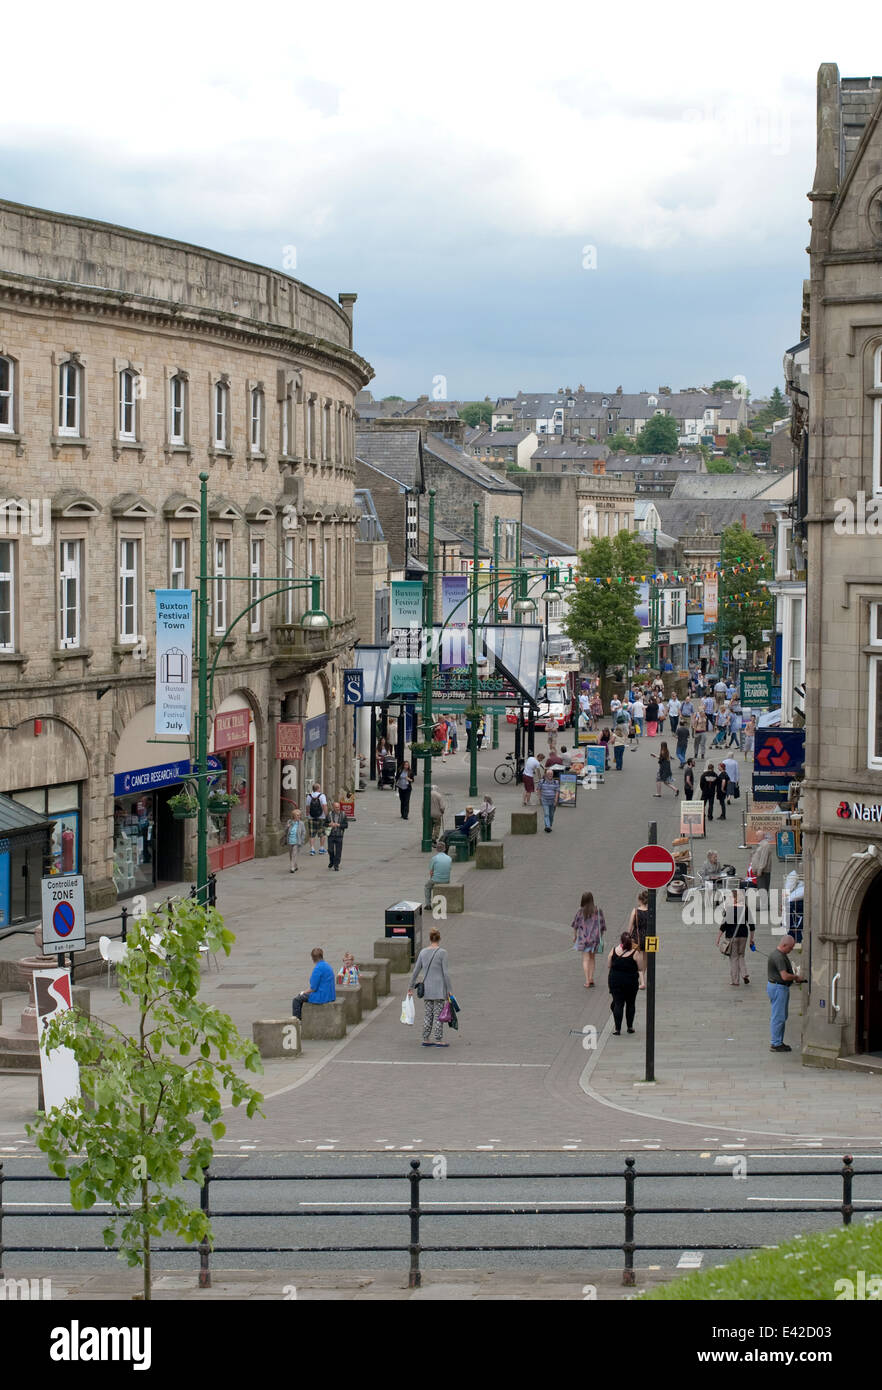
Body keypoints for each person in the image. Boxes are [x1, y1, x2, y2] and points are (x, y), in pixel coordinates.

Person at [408, 927, 453, 1046]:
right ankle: (438, 1039)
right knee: (439, 1014)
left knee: (428, 1014)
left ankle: (425, 1038)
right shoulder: (443, 953)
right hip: (439, 988)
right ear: (439, 939)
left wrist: (410, 987)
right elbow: (446, 973)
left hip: (427, 988)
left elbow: (416, 971)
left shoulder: (423, 952)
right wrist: (449, 990)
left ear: (430, 939)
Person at [767, 936, 806, 1051]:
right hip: (779, 988)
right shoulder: (779, 957)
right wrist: (796, 977)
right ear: (784, 945)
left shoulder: (778, 954)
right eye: (790, 948)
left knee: (781, 1015)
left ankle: (778, 1041)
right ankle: (775, 1043)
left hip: (777, 987)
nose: (791, 950)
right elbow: (784, 976)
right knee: (778, 1016)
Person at [717, 887, 755, 986]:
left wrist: (718, 938)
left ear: (734, 898)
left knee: (734, 958)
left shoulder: (729, 909)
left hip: (731, 937)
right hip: (744, 935)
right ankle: (744, 974)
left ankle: (735, 981)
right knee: (741, 955)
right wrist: (751, 939)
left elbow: (723, 926)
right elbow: (752, 925)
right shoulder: (745, 908)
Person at [607, 931, 641, 1034]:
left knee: (618, 1004)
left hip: (615, 981)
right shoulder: (635, 953)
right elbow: (641, 967)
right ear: (632, 941)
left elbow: (609, 965)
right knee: (630, 1004)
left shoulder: (613, 950)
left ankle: (617, 1029)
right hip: (631, 982)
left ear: (621, 941)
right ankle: (630, 1027)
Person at [572, 891, 607, 988]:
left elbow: (575, 925)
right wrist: (601, 936)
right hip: (594, 939)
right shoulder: (598, 911)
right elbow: (602, 925)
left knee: (585, 959)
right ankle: (591, 978)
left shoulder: (580, 911)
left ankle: (587, 980)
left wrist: (574, 936)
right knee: (592, 958)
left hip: (583, 938)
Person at [292, 946, 336, 1019]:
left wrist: (303, 992)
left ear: (313, 958)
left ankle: (297, 1021)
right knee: (302, 997)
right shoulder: (327, 965)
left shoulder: (318, 969)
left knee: (296, 1000)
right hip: (330, 995)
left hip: (322, 996)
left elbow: (313, 988)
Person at [627, 889, 650, 989]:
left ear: (640, 900)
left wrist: (628, 935)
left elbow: (630, 926)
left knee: (638, 959)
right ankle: (643, 977)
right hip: (649, 937)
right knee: (646, 959)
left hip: (637, 938)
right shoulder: (650, 911)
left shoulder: (635, 911)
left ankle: (642, 981)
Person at [424, 841, 452, 910]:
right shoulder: (449, 858)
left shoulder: (434, 858)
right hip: (446, 880)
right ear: (445, 849)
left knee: (427, 887)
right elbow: (449, 869)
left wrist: (432, 879)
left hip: (435, 880)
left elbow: (431, 872)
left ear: (436, 849)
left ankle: (428, 904)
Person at [750, 832, 774, 901]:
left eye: (757, 836)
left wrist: (759, 870)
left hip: (763, 871)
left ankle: (764, 906)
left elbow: (763, 859)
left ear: (762, 836)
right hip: (760, 871)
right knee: (762, 889)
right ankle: (765, 905)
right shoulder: (762, 845)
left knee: (762, 889)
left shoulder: (765, 845)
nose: (756, 837)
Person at [306, 783, 329, 855]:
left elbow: (307, 806)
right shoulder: (322, 796)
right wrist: (327, 815)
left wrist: (307, 814)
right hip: (321, 817)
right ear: (318, 788)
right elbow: (324, 806)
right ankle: (321, 848)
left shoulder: (309, 796)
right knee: (322, 833)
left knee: (312, 834)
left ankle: (312, 849)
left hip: (311, 817)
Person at [326, 800, 348, 871]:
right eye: (336, 807)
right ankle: (332, 861)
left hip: (339, 835)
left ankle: (336, 865)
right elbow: (324, 824)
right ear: (333, 807)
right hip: (331, 835)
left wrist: (339, 825)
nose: (337, 808)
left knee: (338, 851)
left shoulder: (343, 814)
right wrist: (329, 824)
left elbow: (346, 825)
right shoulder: (329, 814)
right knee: (330, 850)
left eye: (338, 807)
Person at [539, 766, 560, 833]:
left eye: (551, 774)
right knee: (546, 814)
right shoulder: (542, 781)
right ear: (546, 775)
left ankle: (549, 825)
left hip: (552, 801)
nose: (550, 775)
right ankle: (547, 826)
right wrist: (540, 797)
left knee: (551, 814)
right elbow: (538, 789)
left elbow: (557, 791)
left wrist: (556, 800)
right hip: (544, 800)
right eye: (549, 774)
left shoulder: (555, 782)